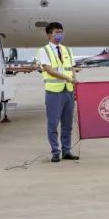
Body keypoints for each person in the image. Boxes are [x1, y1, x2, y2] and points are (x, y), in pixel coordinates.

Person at [38, 22, 78, 162]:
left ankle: (66, 151)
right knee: (53, 124)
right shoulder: (44, 50)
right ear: (49, 34)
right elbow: (49, 70)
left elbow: (72, 69)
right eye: (56, 32)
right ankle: (56, 152)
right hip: (54, 92)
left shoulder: (67, 50)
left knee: (68, 124)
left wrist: (75, 82)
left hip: (68, 91)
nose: (59, 34)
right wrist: (68, 78)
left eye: (61, 31)